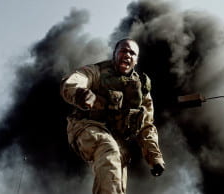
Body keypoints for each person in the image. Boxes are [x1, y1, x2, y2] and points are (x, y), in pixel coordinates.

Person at [60, 38, 165, 194]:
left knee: (116, 181)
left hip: (118, 140)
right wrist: (80, 93)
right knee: (108, 150)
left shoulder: (141, 89)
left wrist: (154, 157)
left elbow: (146, 125)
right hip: (87, 127)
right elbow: (74, 81)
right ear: (115, 54)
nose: (127, 55)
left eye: (132, 53)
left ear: (136, 60)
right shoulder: (96, 71)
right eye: (123, 50)